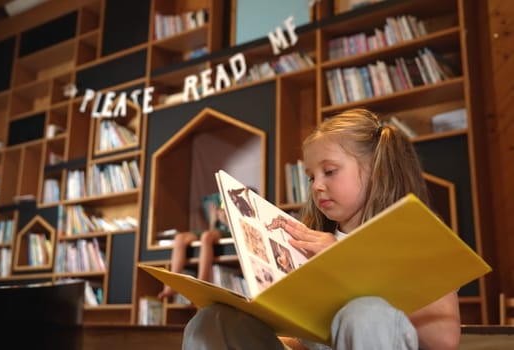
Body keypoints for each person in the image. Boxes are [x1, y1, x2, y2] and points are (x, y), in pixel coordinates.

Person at [181, 108, 461, 350]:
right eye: (311, 176)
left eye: (329, 171)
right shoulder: (310, 236)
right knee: (213, 321)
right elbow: (306, 339)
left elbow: (445, 339)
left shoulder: (413, 236)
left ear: (378, 170)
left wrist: (344, 261)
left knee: (365, 313)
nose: (316, 185)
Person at [158, 192, 232, 300]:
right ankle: (171, 285)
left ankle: (201, 282)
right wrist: (213, 220)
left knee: (206, 237)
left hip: (230, 231)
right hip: (216, 231)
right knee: (179, 238)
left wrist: (225, 220)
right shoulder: (220, 203)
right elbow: (212, 230)